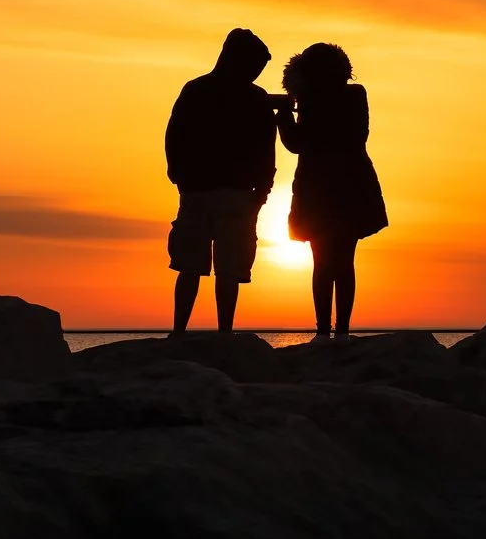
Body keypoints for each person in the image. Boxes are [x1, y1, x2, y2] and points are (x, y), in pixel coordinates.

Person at [162, 27, 278, 335]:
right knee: (196, 266)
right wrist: (180, 178)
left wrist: (261, 193)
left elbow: (267, 151)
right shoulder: (207, 92)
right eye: (254, 66)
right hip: (211, 193)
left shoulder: (203, 91)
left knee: (220, 268)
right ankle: (190, 332)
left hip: (227, 195)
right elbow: (175, 136)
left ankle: (208, 332)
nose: (256, 73)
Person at [276, 42, 386, 338]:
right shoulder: (353, 95)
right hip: (350, 185)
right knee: (342, 262)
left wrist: (285, 117)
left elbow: (298, 144)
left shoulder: (318, 100)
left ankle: (326, 332)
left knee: (323, 262)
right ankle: (339, 331)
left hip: (320, 188)